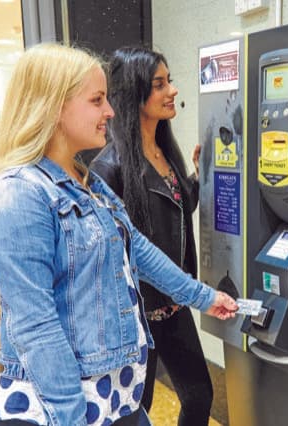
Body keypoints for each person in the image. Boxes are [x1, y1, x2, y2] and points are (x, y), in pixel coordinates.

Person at [0, 43, 237, 426]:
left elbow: (138, 248)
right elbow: (36, 327)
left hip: (113, 395)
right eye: (97, 100)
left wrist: (204, 297)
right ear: (53, 107)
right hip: (58, 409)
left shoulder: (86, 181)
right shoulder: (18, 194)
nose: (110, 111)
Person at [89, 47, 211, 426]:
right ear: (134, 94)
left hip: (173, 304)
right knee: (135, 409)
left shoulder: (164, 151)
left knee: (200, 395)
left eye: (169, 81)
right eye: (160, 84)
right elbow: (119, 249)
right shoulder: (108, 168)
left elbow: (172, 211)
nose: (172, 90)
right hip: (135, 313)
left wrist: (196, 176)